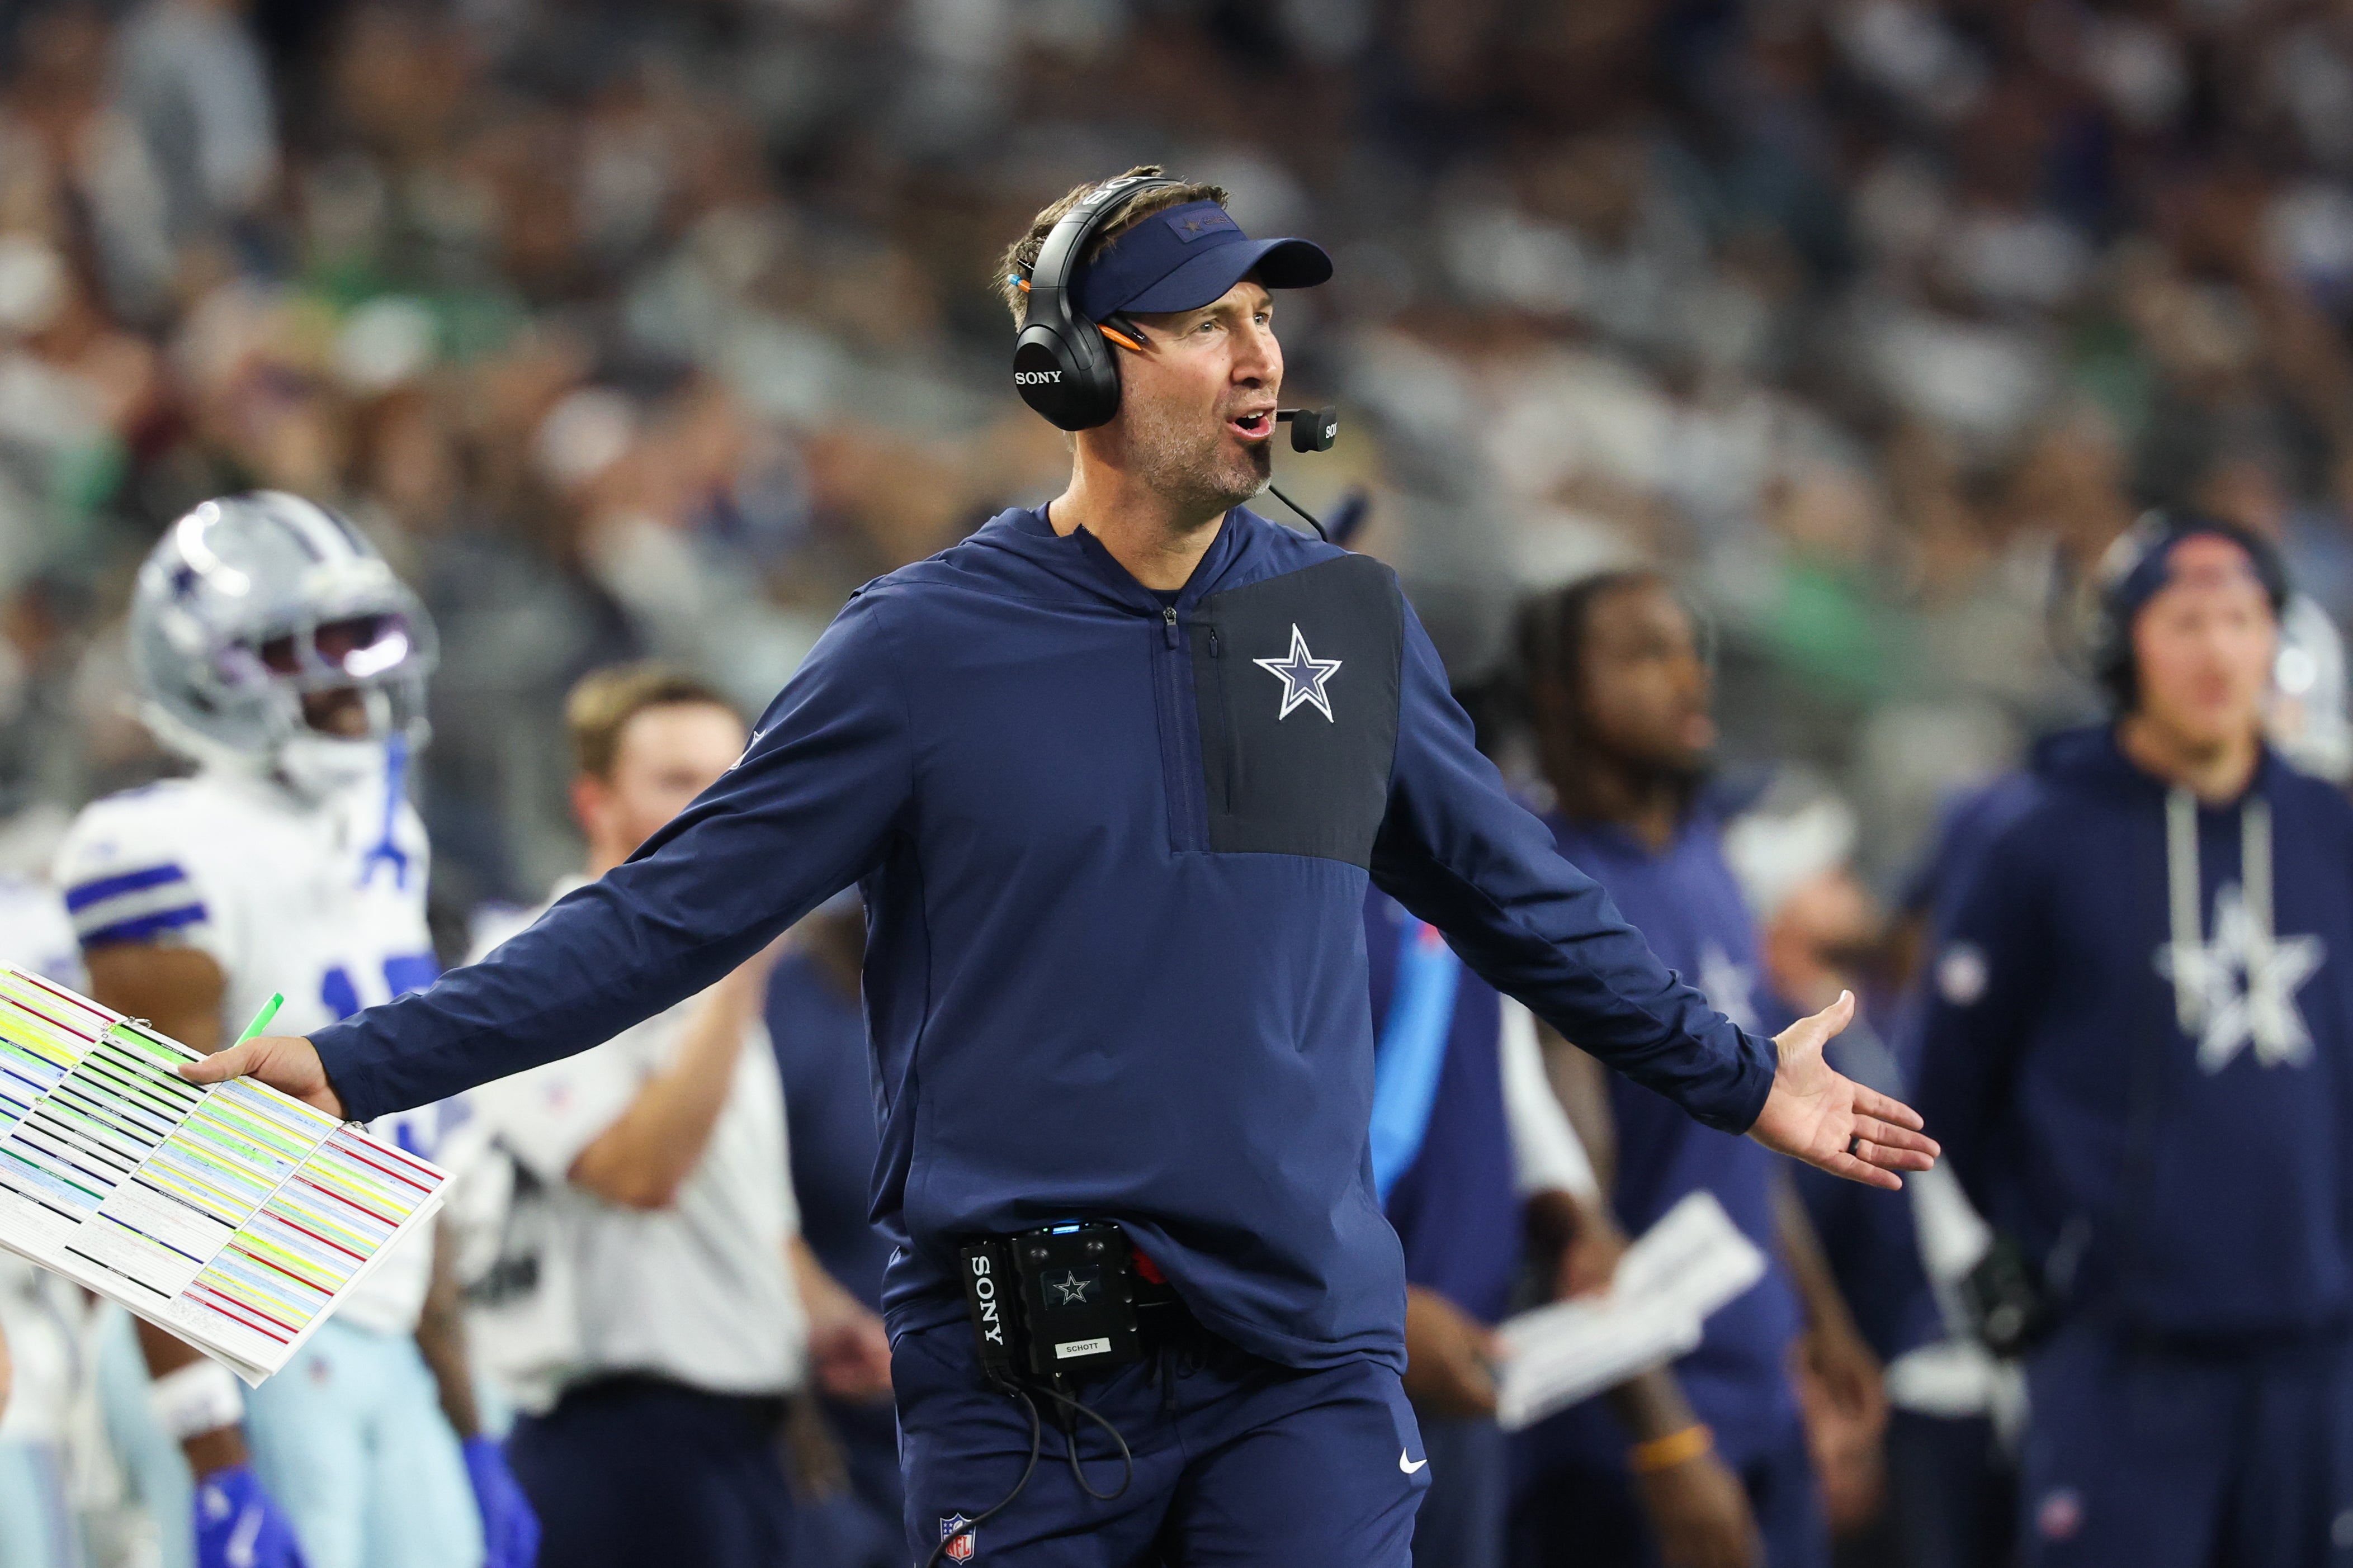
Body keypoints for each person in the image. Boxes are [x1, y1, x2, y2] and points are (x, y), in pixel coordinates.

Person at [190, 169, 1934, 1567]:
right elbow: (669, 912)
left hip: (1304, 1356)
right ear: (1081, 370)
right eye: (1203, 323)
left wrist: (1732, 1081)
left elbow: (1521, 900)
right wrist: (356, 1063)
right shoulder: (922, 651)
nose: (1261, 358)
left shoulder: (1324, 616)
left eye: (1267, 318)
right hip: (1024, 1372)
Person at [53, 493, 537, 1568]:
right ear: (209, 668)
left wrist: (466, 1420)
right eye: (307, 649)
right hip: (238, 1328)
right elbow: (137, 1163)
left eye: (363, 639)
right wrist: (209, 1453)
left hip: (380, 1319)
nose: (351, 681)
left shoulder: (383, 830)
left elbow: (407, 1138)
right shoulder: (154, 845)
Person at [1915, 509, 2353, 1568]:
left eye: (2240, 620)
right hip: (2118, 1359)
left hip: (2314, 1356)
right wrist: (2050, 1250)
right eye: (2184, 621)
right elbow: (1950, 1085)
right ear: (2122, 647)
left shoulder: (2331, 827)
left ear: (2275, 641)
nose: (2216, 652)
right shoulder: (2035, 838)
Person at [457, 662, 893, 1568]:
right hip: (619, 1438)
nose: (718, 809)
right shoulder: (527, 965)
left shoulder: (716, 976)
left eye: (732, 779)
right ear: (592, 802)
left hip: (750, 1435)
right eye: (676, 782)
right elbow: (636, 1173)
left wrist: (819, 1314)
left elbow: (749, 1207)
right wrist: (740, 974)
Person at [1506, 571, 1887, 1568]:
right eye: (1642, 654)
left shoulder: (1705, 854)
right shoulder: (1540, 884)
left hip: (1759, 1381)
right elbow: (1566, 1207)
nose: (1686, 679)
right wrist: (1664, 1437)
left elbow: (1763, 1112)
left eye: (1691, 652)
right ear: (1553, 692)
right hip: (1634, 1426)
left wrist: (1821, 1318)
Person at [1359, 885, 1618, 1568]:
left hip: (1468, 1361)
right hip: (1328, 1365)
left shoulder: (1449, 850)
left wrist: (1568, 1208)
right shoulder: (1285, 845)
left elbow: (1502, 1063)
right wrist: (1377, 1308)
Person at [766, 888, 905, 1567]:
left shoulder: (987, 995)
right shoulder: (778, 1009)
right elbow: (733, 1200)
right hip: (828, 1417)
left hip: (975, 1400)